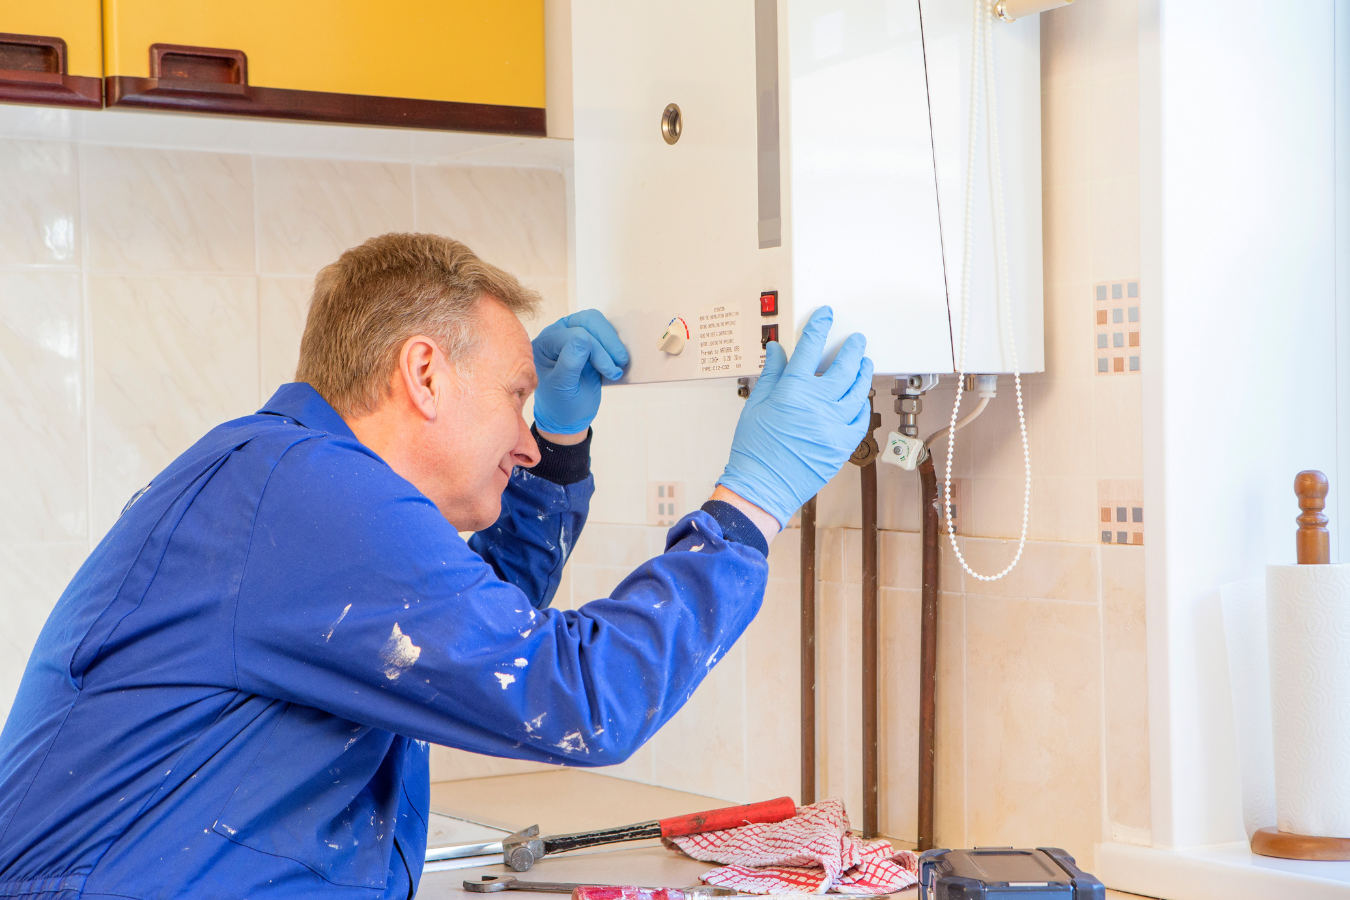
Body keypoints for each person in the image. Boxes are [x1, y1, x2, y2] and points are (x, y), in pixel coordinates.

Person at [0, 234, 873, 900]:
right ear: (423, 372)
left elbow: (468, 636)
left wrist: (561, 452)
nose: (525, 438)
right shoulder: (302, 492)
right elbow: (572, 696)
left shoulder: (286, 482)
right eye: (515, 397)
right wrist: (750, 504)